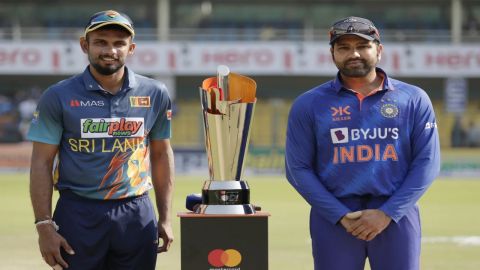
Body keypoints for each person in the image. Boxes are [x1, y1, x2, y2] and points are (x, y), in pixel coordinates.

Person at [285, 16, 440, 270]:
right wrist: (340, 215)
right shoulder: (309, 104)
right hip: (335, 218)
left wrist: (387, 213)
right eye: (343, 47)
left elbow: (427, 163)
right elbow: (298, 169)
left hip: (396, 215)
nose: (353, 53)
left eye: (363, 46)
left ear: (378, 50)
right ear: (332, 54)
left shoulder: (413, 98)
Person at [28, 10, 174, 270]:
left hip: (136, 212)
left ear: (131, 48)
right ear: (85, 45)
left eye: (119, 43)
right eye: (101, 42)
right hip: (77, 212)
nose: (111, 50)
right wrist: (44, 225)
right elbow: (41, 162)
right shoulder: (58, 96)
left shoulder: (155, 93)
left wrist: (165, 218)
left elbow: (162, 154)